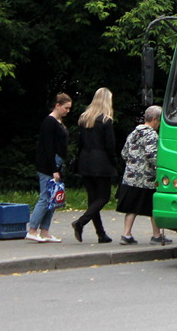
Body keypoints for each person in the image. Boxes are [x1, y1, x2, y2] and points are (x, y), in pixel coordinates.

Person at [116, 105, 171, 246]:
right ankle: (157, 235)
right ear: (154, 119)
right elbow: (152, 155)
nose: (159, 125)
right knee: (153, 207)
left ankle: (126, 234)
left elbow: (124, 153)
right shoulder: (151, 134)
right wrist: (160, 167)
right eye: (159, 121)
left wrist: (132, 165)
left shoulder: (134, 132)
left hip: (130, 177)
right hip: (147, 178)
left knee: (131, 208)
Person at [70, 87, 117, 244]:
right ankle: (80, 222)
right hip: (101, 161)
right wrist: (115, 163)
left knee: (93, 199)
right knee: (103, 197)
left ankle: (101, 234)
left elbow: (79, 143)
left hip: (85, 160)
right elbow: (110, 145)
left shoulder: (84, 118)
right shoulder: (106, 120)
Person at [27, 92, 72, 243]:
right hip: (49, 164)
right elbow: (48, 147)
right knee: (46, 196)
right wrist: (54, 169)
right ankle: (32, 229)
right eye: (66, 107)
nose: (67, 111)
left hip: (56, 163)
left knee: (53, 198)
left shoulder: (58, 122)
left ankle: (45, 231)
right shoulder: (49, 122)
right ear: (57, 105)